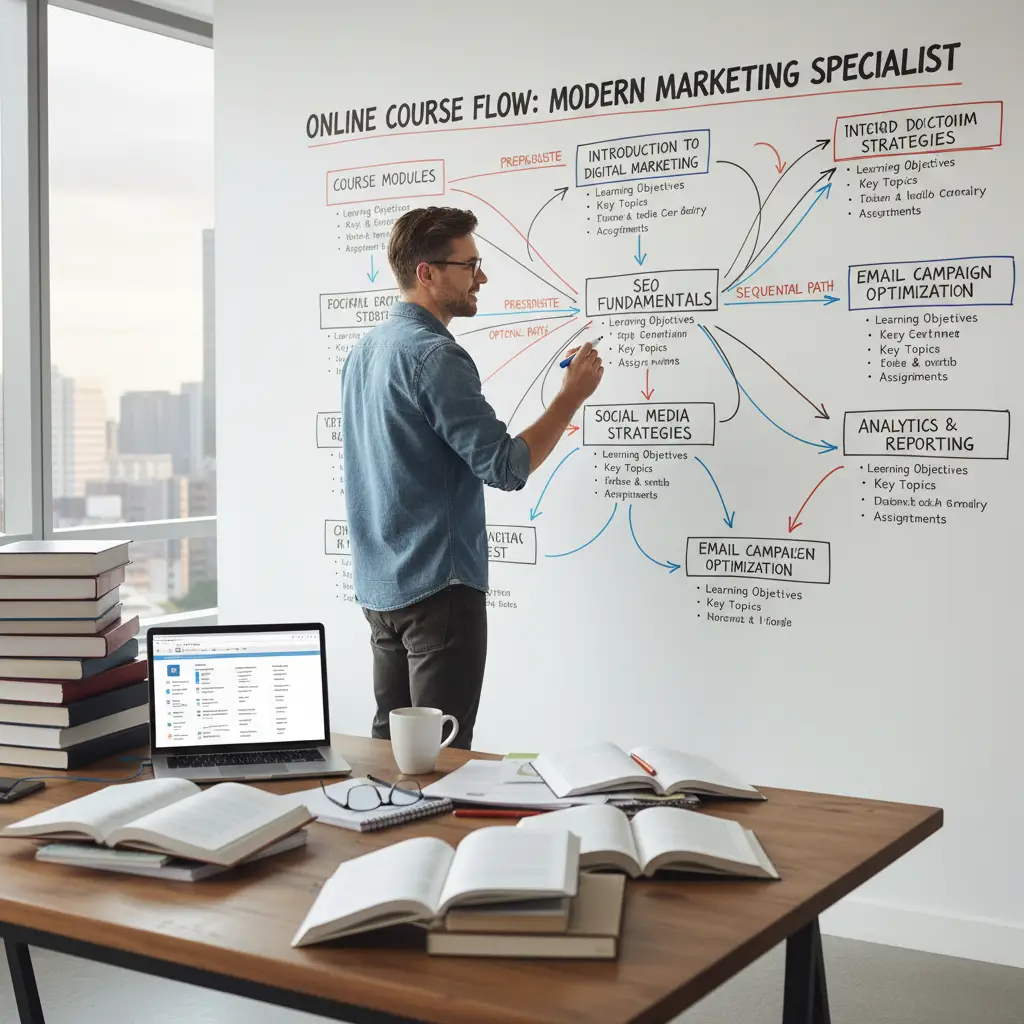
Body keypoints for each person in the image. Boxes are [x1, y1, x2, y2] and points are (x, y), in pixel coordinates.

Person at [341, 206, 602, 749]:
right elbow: (507, 467)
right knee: (438, 761)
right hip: (439, 590)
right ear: (427, 273)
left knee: (392, 758)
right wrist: (571, 397)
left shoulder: (365, 351)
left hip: (381, 590)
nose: (481, 276)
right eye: (470, 264)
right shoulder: (435, 355)